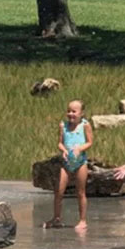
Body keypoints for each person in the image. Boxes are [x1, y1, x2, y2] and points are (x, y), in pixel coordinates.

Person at [44, 99, 93, 232]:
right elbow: (60, 143)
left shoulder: (85, 125)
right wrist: (64, 150)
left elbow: (90, 142)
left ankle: (82, 220)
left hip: (80, 162)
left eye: (74, 111)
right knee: (59, 191)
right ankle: (56, 218)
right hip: (66, 163)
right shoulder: (63, 126)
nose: (70, 114)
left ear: (81, 113)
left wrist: (80, 149)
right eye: (69, 111)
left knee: (80, 191)